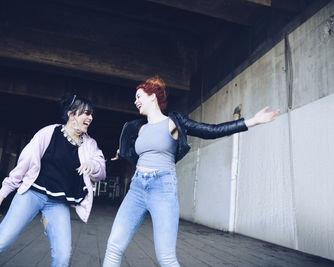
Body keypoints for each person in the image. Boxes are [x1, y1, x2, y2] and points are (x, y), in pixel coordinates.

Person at [103, 76, 279, 267]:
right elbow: (133, 151)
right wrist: (121, 153)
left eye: (139, 96)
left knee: (166, 258)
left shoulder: (173, 123)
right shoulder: (138, 128)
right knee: (113, 246)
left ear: (153, 96)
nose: (135, 101)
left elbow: (210, 130)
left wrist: (251, 121)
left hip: (162, 188)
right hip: (136, 188)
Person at [0, 94, 106, 267]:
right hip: (32, 194)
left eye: (91, 114)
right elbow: (24, 164)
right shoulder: (48, 133)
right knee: (0, 241)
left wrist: (93, 165)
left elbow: (101, 170)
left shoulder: (89, 144)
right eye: (85, 113)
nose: (90, 118)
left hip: (58, 203)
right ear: (71, 115)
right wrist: (5, 190)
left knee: (63, 256)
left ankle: (47, 221)